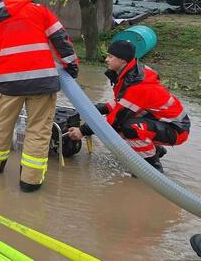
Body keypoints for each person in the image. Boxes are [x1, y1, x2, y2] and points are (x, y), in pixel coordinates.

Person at [0, 0, 79, 192]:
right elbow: (61, 39)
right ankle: (30, 183)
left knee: (0, 126)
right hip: (43, 82)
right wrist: (71, 66)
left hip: (8, 84)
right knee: (38, 130)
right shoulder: (39, 10)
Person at [66, 40, 190, 172]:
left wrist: (82, 131)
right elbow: (122, 102)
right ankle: (155, 151)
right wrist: (100, 108)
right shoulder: (131, 73)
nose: (106, 59)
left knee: (128, 127)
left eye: (111, 56)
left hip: (176, 129)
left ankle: (152, 169)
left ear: (123, 61)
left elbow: (115, 118)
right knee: (121, 125)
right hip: (161, 122)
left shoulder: (137, 85)